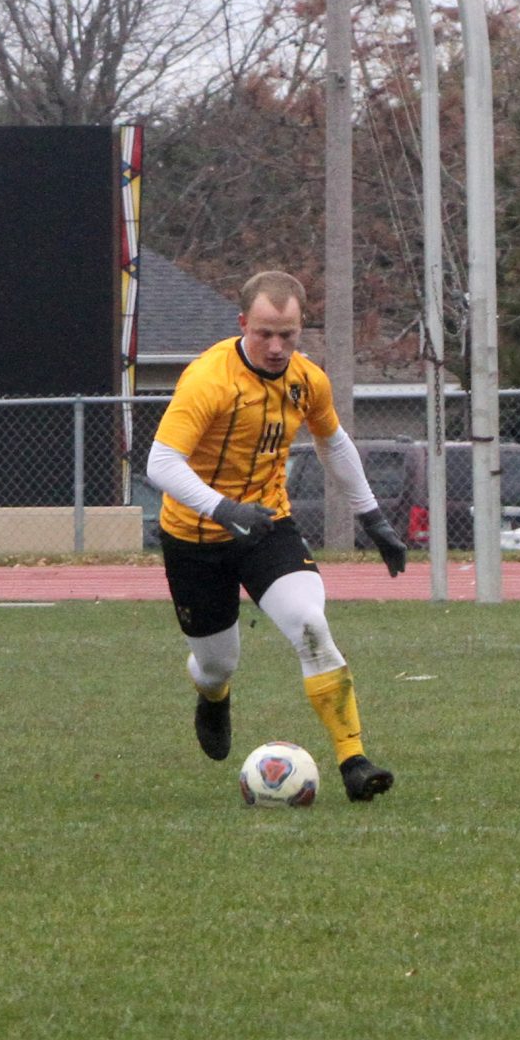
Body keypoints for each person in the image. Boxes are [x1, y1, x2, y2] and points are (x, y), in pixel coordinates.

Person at [144, 270, 410, 801]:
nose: (275, 346)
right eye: (264, 332)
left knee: (311, 624)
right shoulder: (208, 379)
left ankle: (353, 761)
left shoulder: (307, 379)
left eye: (287, 335)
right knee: (218, 661)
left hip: (267, 526)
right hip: (195, 536)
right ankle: (213, 695)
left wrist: (372, 518)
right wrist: (223, 508)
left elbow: (333, 443)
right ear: (243, 323)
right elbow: (160, 461)